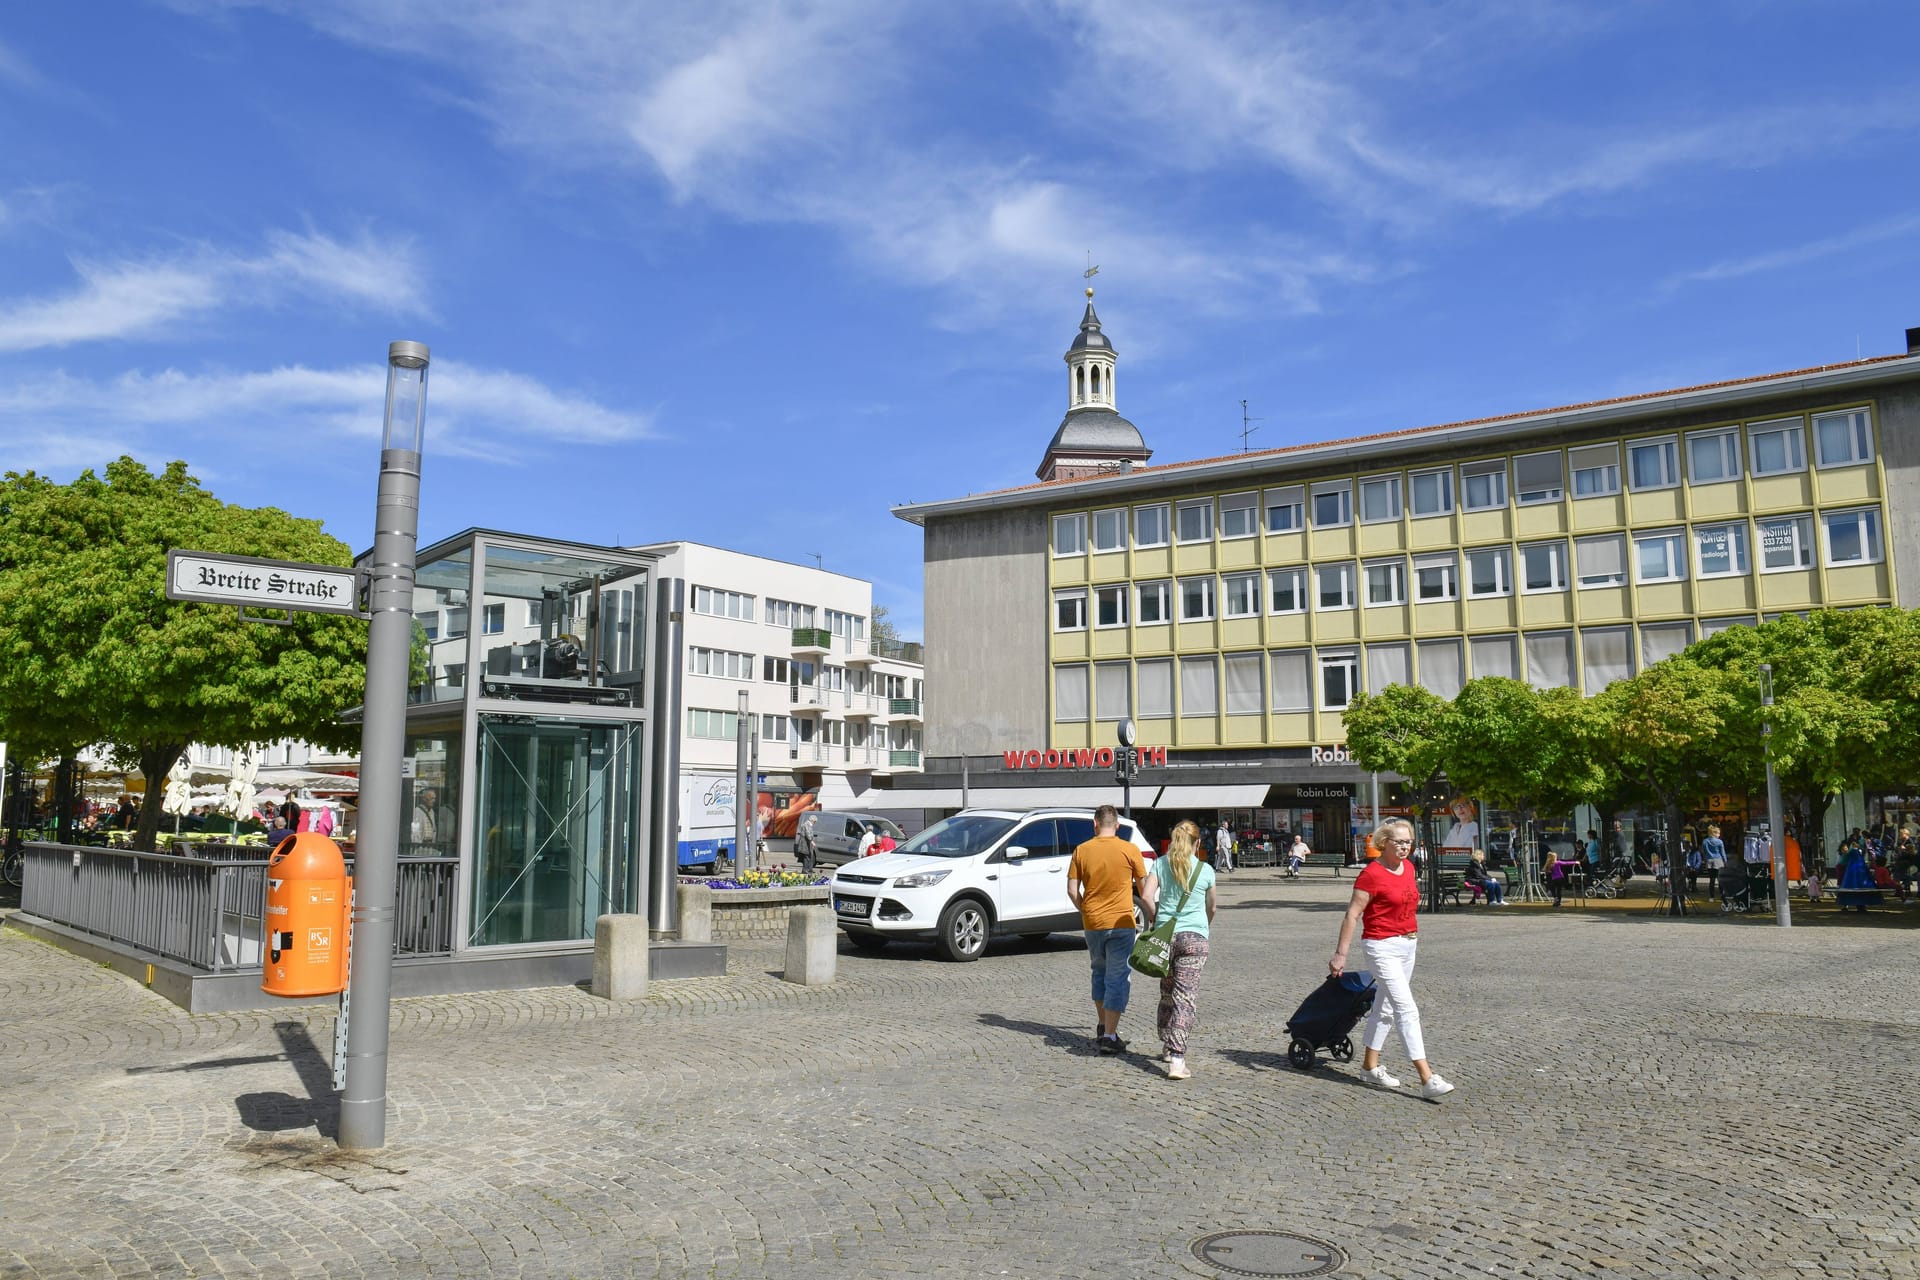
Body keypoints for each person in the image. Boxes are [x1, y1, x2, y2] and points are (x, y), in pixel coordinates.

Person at [1329, 819, 1454, 1099]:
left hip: (1408, 944)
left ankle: (1369, 1067)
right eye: (1398, 841)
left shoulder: (1409, 868)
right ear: (1383, 842)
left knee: (1384, 1008)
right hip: (1380, 946)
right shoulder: (1370, 875)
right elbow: (1352, 914)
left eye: (1408, 841)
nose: (1404, 846)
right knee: (1406, 1008)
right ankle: (1427, 1078)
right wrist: (1341, 954)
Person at [1068, 804, 1155, 1056]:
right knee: (1117, 977)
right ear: (1116, 826)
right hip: (1122, 923)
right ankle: (1109, 1035)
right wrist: (1152, 915)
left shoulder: (1081, 851)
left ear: (1094, 824)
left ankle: (1103, 1025)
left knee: (1099, 972)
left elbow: (1073, 891)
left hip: (1093, 923)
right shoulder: (1129, 850)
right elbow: (1143, 888)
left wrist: (1085, 909)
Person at [1152, 820, 1217, 1080]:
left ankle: (1167, 1045)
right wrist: (1203, 926)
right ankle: (1177, 1060)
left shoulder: (1160, 864)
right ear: (1197, 843)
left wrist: (1155, 921)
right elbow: (1212, 907)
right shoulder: (1205, 870)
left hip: (1166, 937)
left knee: (1167, 991)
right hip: (1195, 938)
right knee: (1185, 997)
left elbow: (1146, 896)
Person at [1699, 824, 1727, 898]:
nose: (1719, 835)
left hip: (1709, 861)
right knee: (1720, 879)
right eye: (1718, 833)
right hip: (1718, 860)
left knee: (1712, 880)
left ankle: (1712, 897)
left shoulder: (1705, 841)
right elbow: (1722, 852)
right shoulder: (1720, 842)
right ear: (1714, 833)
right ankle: (1722, 895)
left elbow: (1703, 851)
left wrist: (1705, 859)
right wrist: (1725, 861)